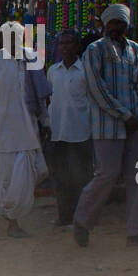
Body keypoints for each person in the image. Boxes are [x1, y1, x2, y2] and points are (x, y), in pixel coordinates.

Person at [73, 3, 138, 248]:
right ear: (104, 23)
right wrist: (125, 116)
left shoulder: (135, 49)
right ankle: (82, 220)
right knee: (107, 174)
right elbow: (96, 89)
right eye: (112, 23)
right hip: (107, 125)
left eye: (121, 24)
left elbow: (135, 84)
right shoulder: (94, 49)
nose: (117, 28)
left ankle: (137, 233)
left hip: (136, 123)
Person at [0, 22, 49, 237]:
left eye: (17, 36)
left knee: (33, 173)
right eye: (9, 37)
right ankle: (12, 222)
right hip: (4, 130)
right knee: (9, 180)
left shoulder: (31, 58)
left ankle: (13, 216)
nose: (13, 40)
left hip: (29, 128)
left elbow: (40, 95)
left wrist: (46, 121)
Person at [45, 30, 93, 227]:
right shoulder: (52, 71)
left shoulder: (85, 71)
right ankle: (64, 216)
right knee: (60, 178)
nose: (65, 47)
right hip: (57, 133)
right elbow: (48, 100)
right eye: (62, 43)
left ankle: (84, 217)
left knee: (82, 178)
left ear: (77, 46)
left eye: (69, 43)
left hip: (80, 132)